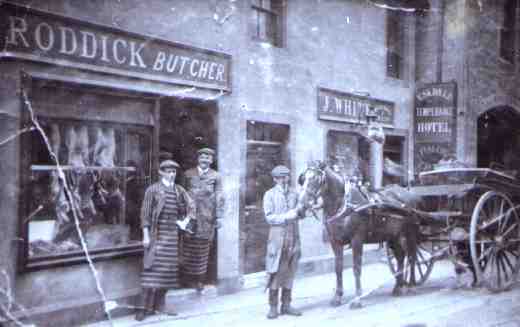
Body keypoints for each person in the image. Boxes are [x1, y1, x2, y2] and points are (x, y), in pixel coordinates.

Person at [135, 160, 195, 321]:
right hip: (156, 236)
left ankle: (159, 306)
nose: (172, 174)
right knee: (150, 273)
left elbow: (192, 206)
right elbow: (145, 214)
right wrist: (145, 235)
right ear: (161, 172)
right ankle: (143, 308)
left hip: (173, 238)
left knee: (168, 273)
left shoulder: (179, 190)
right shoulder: (153, 190)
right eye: (168, 171)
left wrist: (184, 221)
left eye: (174, 172)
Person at [263, 165, 305, 319]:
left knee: (290, 272)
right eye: (280, 177)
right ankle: (273, 307)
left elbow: (300, 214)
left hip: (294, 237)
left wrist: (302, 211)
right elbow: (269, 217)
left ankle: (286, 305)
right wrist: (289, 215)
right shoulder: (269, 195)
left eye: (286, 177)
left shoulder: (295, 193)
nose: (284, 180)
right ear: (274, 179)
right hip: (277, 240)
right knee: (276, 273)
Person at [181, 148, 224, 291]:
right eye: (202, 157)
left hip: (207, 218)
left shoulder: (216, 176)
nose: (205, 160)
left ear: (211, 160)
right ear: (198, 159)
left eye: (208, 158)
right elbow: (181, 195)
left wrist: (219, 216)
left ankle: (200, 280)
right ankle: (187, 279)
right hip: (190, 217)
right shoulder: (188, 174)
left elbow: (219, 197)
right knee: (188, 248)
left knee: (202, 249)